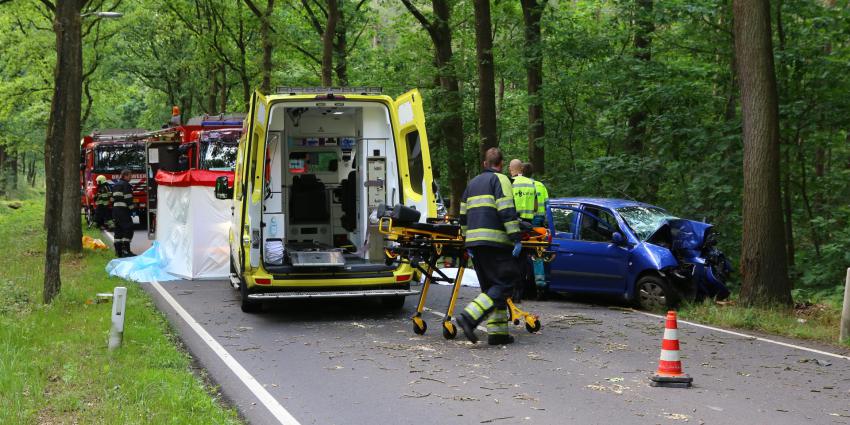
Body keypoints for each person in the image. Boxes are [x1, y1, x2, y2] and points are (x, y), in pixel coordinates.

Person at [455, 148, 523, 345]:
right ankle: (468, 317)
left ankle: (498, 334)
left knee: (491, 288)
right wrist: (516, 238)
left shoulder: (472, 184)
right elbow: (506, 211)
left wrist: (468, 241)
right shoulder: (500, 180)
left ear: (485, 163)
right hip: (496, 242)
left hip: (476, 244)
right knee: (504, 283)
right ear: (501, 164)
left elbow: (463, 215)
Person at [111, 169, 136, 258]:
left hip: (115, 211)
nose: (131, 177)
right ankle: (126, 251)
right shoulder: (126, 185)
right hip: (123, 211)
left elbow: (112, 199)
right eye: (130, 176)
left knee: (118, 231)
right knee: (128, 229)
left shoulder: (115, 185)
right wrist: (133, 209)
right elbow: (128, 199)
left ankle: (118, 252)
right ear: (125, 176)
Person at [522, 162, 549, 226]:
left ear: (522, 172)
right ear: (532, 173)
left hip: (526, 218)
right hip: (540, 218)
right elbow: (547, 204)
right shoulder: (541, 185)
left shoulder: (521, 186)